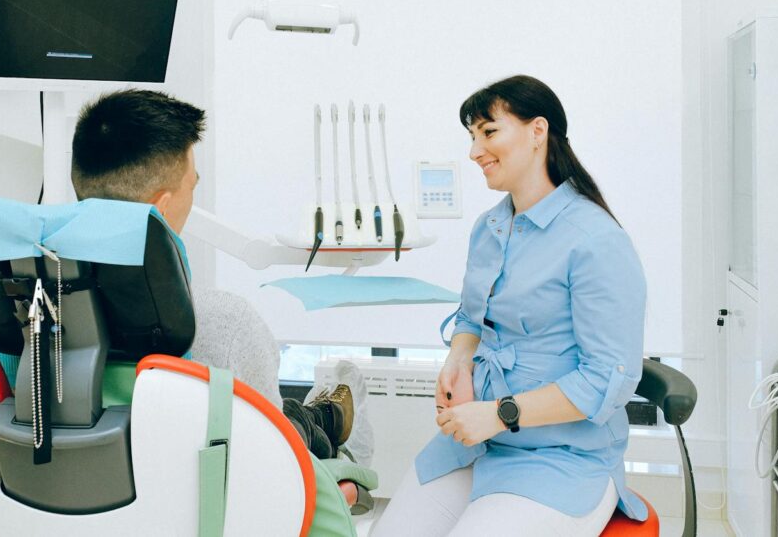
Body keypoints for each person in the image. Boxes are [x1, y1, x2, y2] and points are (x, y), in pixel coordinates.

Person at [372, 75, 646, 536]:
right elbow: (471, 315)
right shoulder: (491, 227)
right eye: (472, 136)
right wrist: (458, 359)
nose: (474, 151)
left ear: (537, 131)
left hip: (561, 458)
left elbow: (606, 379)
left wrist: (499, 413)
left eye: (488, 131)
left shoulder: (596, 241)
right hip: (480, 445)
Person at [70, 88, 356, 462]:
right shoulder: (227, 322)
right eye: (192, 184)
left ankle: (317, 414)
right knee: (294, 426)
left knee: (287, 413)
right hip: (204, 500)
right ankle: (323, 419)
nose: (194, 194)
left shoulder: (25, 312)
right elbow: (274, 459)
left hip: (68, 498)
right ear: (162, 206)